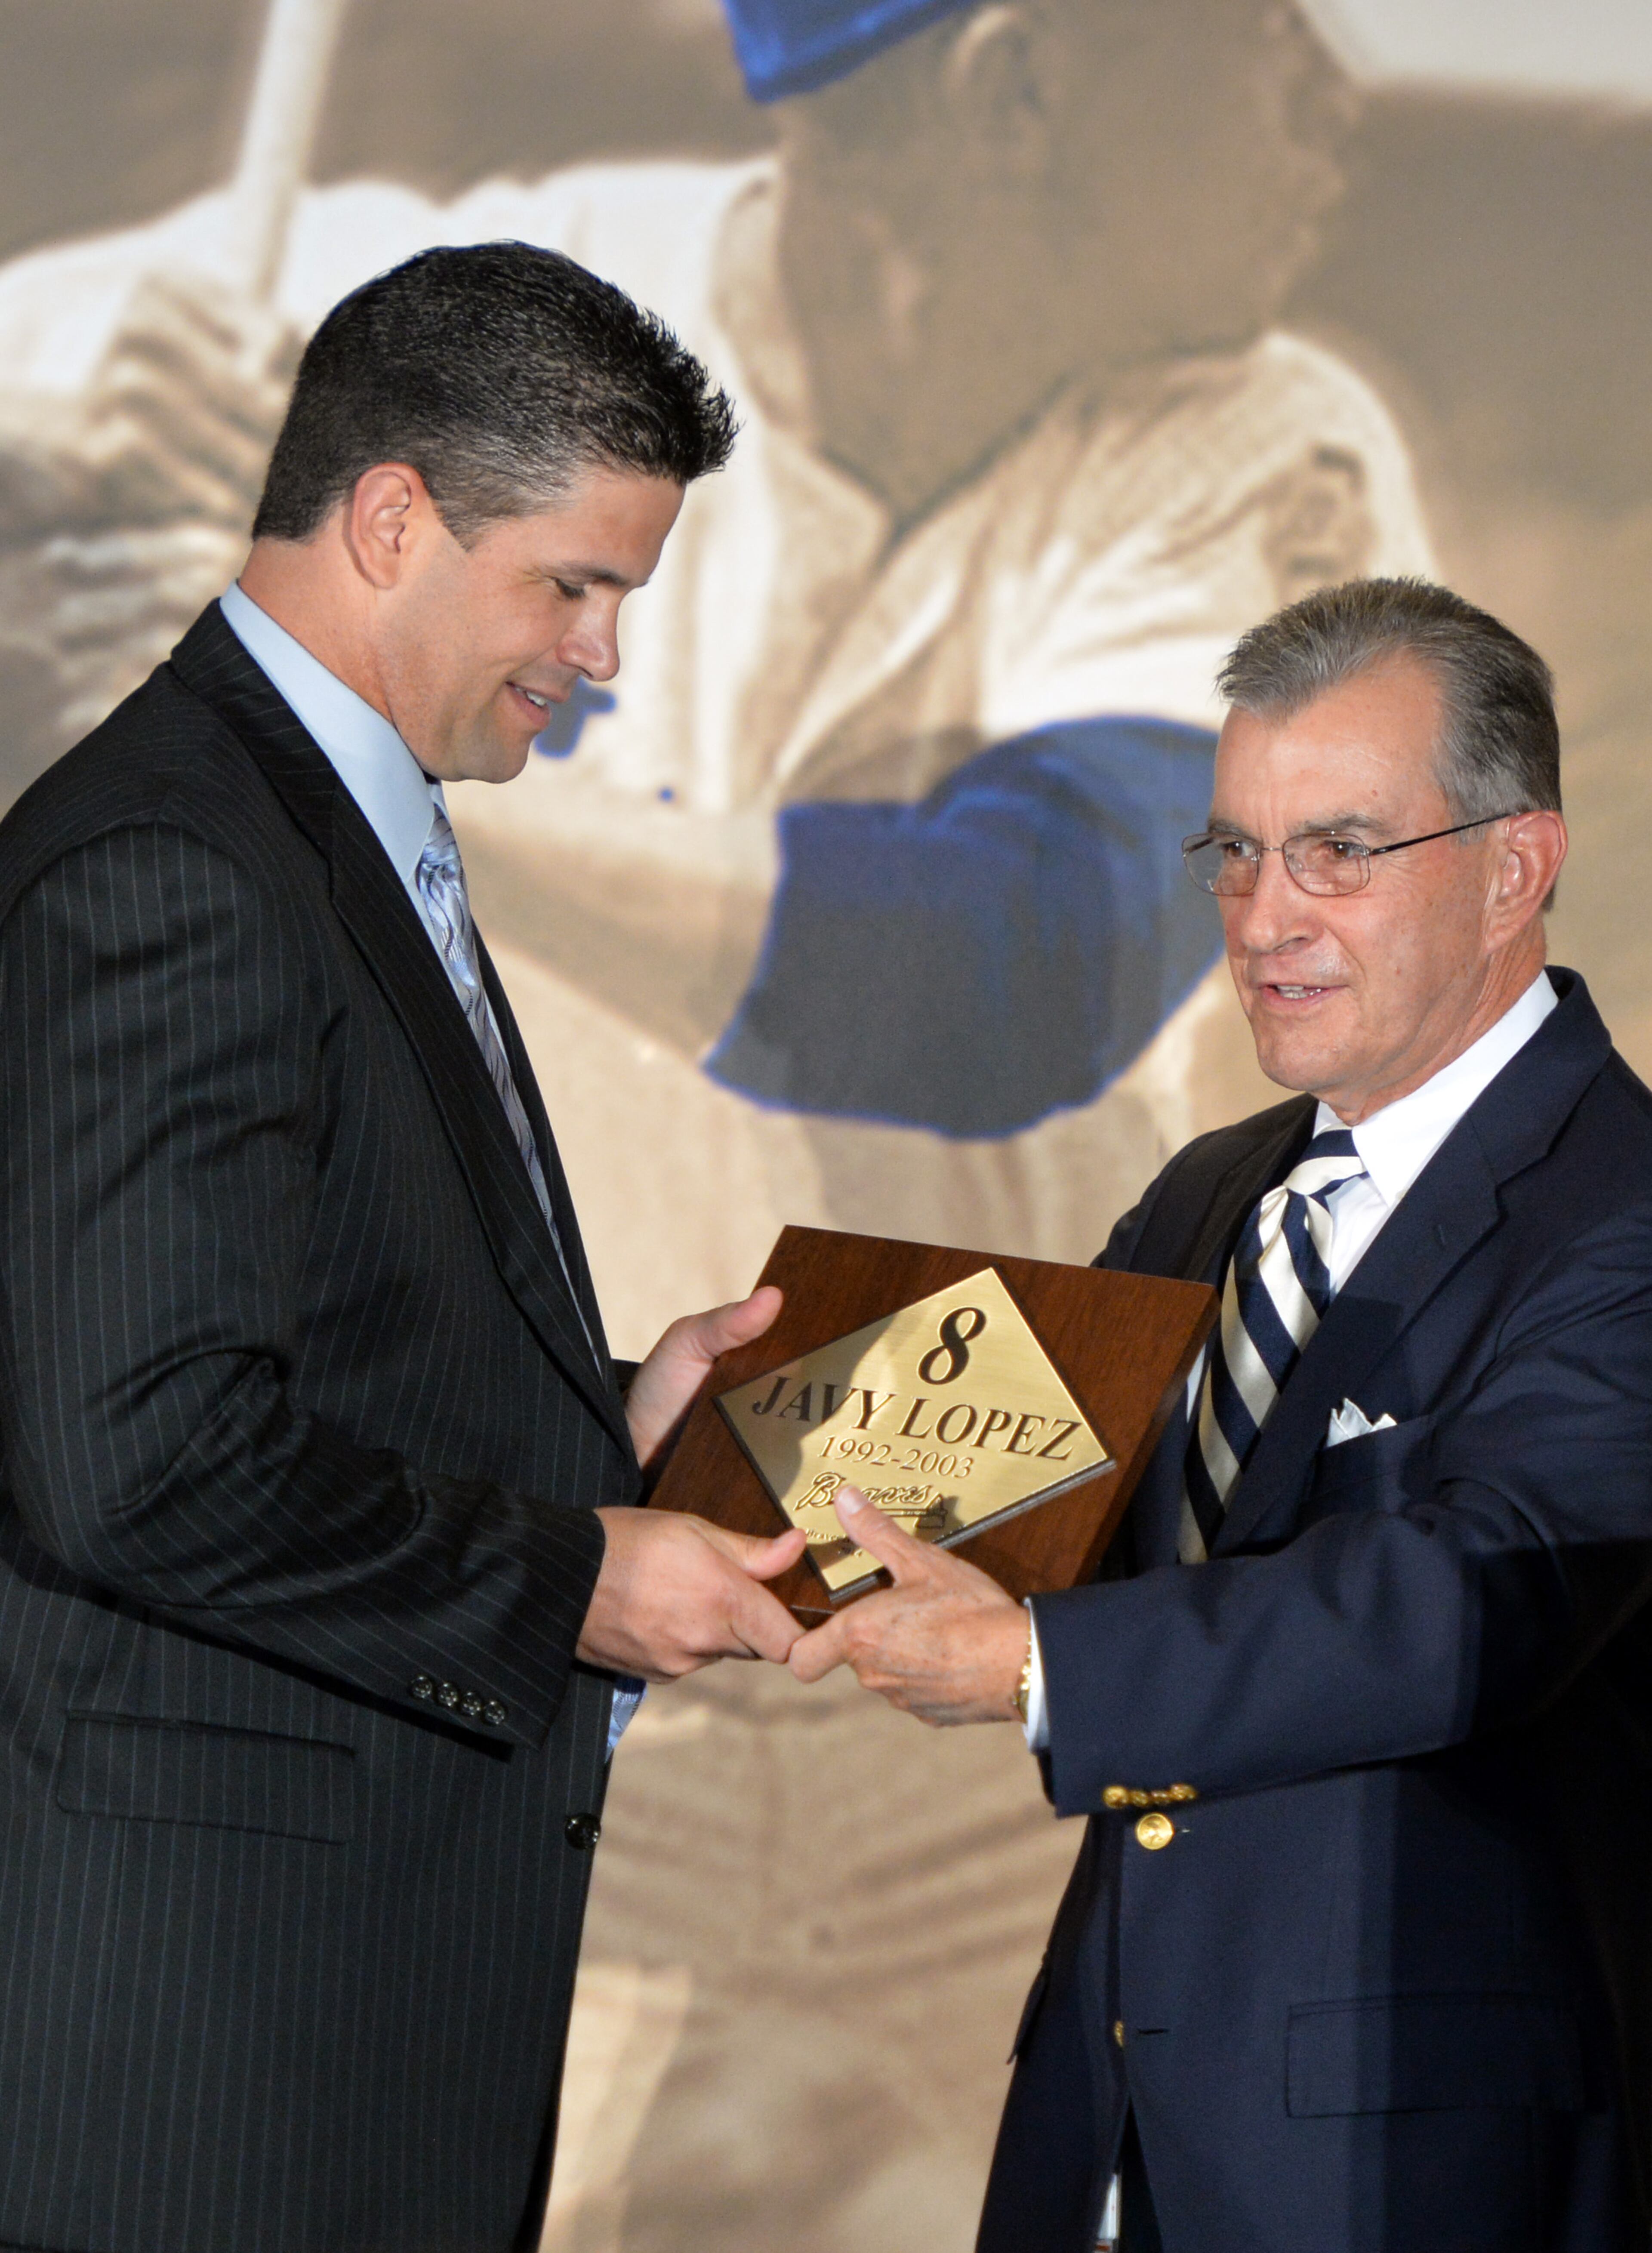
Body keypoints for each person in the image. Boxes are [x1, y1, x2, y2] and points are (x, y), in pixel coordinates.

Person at [0, 242, 812, 2253]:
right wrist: (575, 1576)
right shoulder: (180, 865)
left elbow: (300, 1364)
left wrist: (612, 1431)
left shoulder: (308, 831)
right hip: (206, 2095)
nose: (605, 653)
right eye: (576, 583)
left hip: (324, 2056)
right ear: (388, 520)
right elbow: (141, 1456)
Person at [791, 577, 1652, 2250]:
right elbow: (999, 1468)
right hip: (1111, 2124)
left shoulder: (1625, 1209)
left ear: (1513, 865)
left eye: (1337, 848)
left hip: (1416, 2155)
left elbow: (1466, 1600)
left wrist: (1034, 1664)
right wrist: (684, 1449)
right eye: (1237, 853)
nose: (1265, 917)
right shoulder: (1216, 1188)